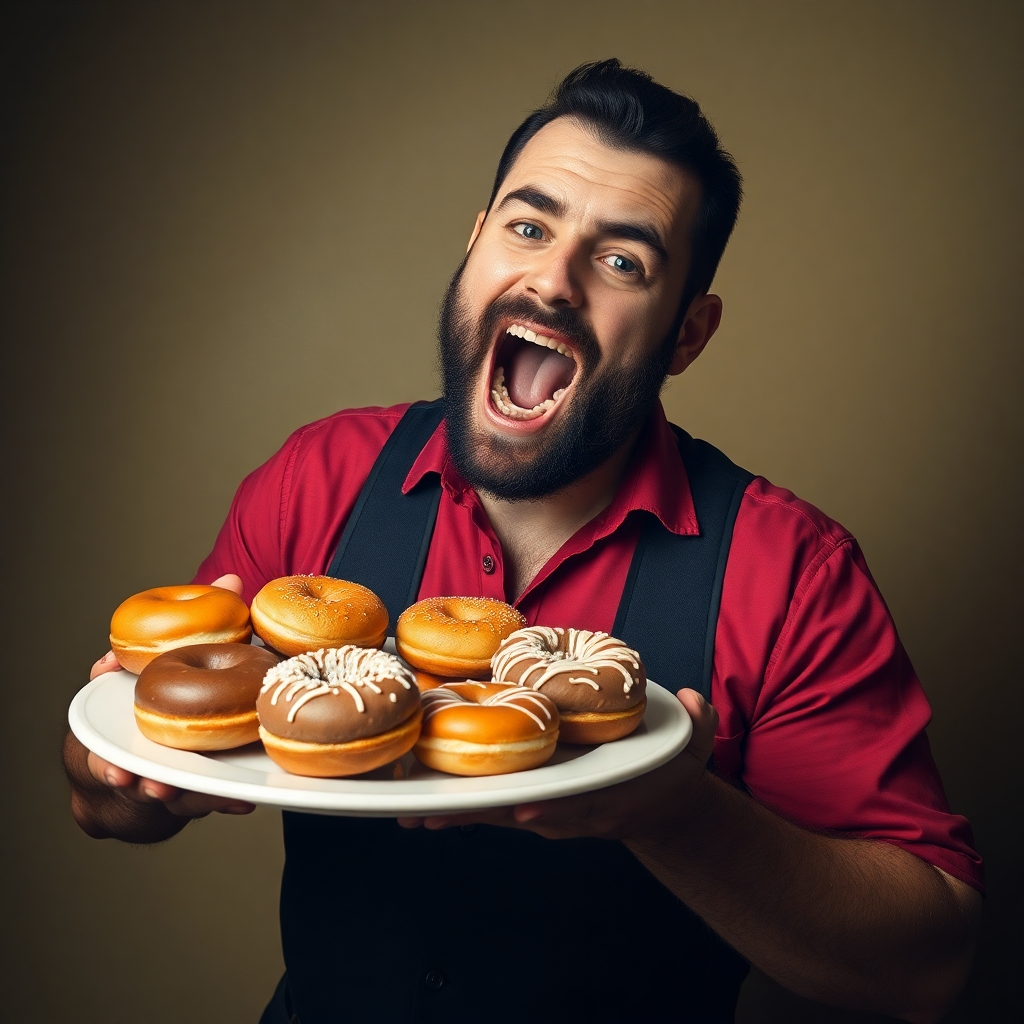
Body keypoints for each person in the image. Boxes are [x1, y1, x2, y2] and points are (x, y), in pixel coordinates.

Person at [63, 60, 982, 1023]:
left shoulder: (789, 572)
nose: (552, 279)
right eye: (529, 228)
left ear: (687, 334)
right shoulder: (317, 482)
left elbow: (924, 968)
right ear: (475, 246)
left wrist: (681, 815)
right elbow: (105, 802)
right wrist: (124, 774)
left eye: (622, 261)